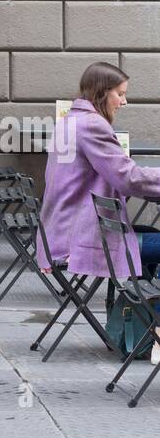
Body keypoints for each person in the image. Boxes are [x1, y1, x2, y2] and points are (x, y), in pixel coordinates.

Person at [39, 63, 160, 353]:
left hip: (58, 230)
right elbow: (127, 177)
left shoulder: (69, 120)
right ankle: (155, 328)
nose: (124, 101)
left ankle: (142, 326)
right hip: (80, 236)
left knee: (150, 238)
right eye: (120, 94)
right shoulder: (92, 125)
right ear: (102, 93)